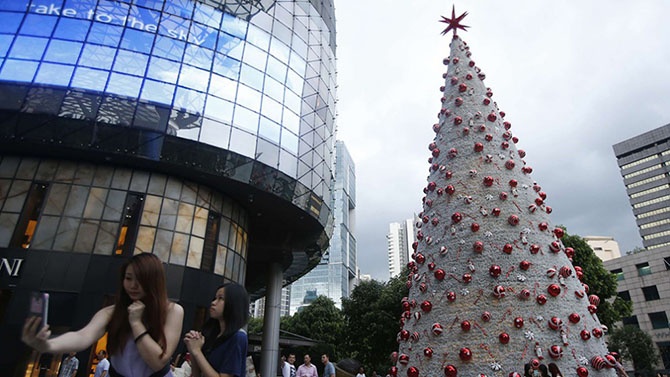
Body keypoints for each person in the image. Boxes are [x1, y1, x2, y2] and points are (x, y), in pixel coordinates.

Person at [22, 253, 185, 377]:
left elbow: (158, 361)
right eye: (128, 278)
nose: (133, 286)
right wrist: (47, 345)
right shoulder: (112, 312)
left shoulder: (172, 311)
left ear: (153, 281)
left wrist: (136, 323)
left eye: (141, 280)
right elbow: (82, 336)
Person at [184, 283, 250, 377]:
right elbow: (196, 374)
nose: (213, 302)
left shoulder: (238, 337)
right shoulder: (211, 335)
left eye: (220, 298)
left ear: (234, 303)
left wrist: (197, 351)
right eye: (215, 298)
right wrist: (192, 349)